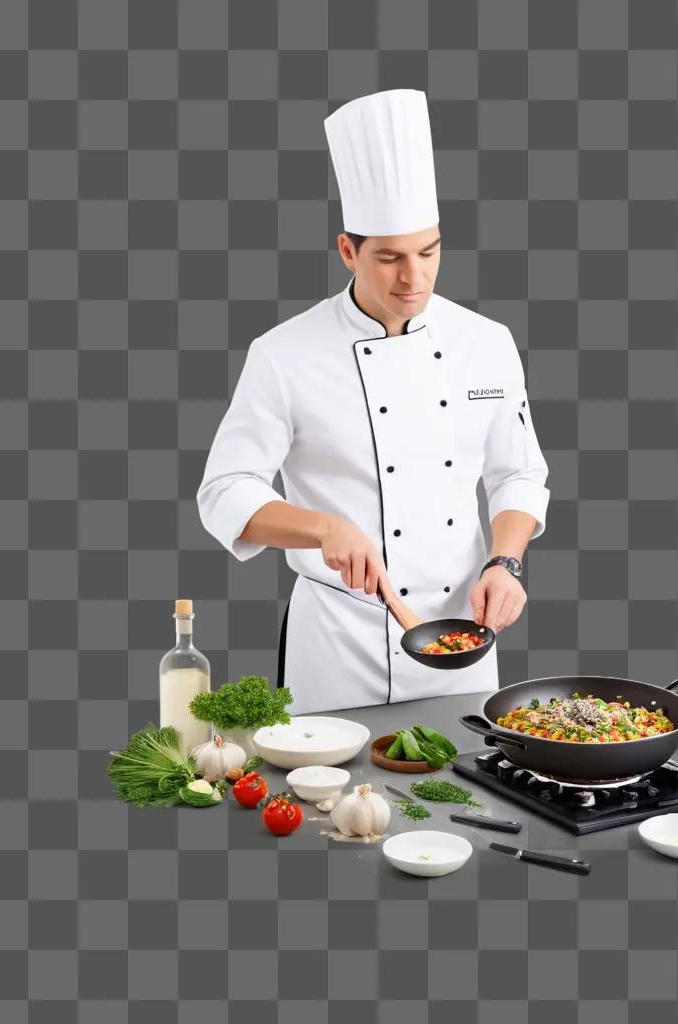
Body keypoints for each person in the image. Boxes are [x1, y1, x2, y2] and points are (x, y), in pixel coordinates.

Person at [197, 89, 550, 713]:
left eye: (428, 252)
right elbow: (224, 491)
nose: (413, 278)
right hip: (338, 645)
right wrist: (321, 527)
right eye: (389, 258)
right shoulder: (285, 353)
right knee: (337, 806)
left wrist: (508, 561)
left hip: (460, 639)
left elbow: (517, 472)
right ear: (348, 250)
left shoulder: (486, 344)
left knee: (468, 795)